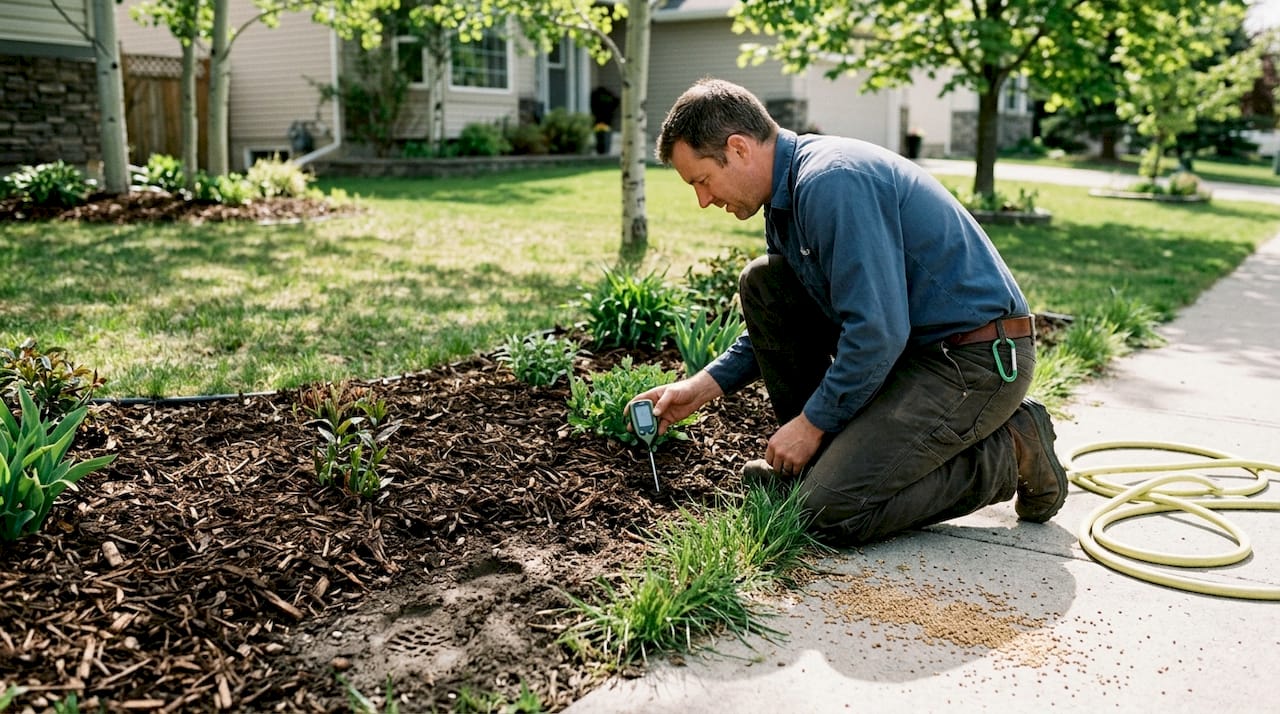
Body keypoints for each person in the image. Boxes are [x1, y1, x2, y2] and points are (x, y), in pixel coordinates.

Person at [629, 78, 1068, 545]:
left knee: (826, 514)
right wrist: (698, 389)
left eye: (701, 180)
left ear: (737, 149)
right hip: (912, 354)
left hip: (973, 361)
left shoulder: (832, 181)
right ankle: (827, 469)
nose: (703, 199)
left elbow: (876, 332)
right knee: (766, 281)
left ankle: (1011, 449)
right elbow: (800, 321)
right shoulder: (785, 201)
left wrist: (812, 424)